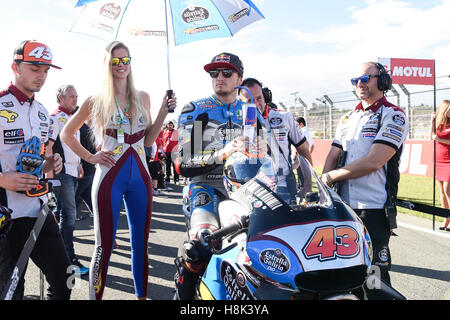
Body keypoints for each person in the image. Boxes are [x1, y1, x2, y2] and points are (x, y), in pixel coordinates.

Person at [60, 41, 176, 300]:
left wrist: (162, 111)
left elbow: (148, 141)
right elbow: (66, 133)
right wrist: (89, 156)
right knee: (104, 246)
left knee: (140, 245)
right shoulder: (96, 100)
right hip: (109, 176)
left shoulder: (142, 97)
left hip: (141, 177)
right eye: (116, 61)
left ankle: (141, 297)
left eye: (126, 60)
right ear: (107, 64)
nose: (122, 65)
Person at [176, 52, 263, 299]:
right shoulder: (196, 110)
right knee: (202, 244)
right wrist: (222, 154)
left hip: (244, 191)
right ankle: (183, 297)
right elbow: (184, 164)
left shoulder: (249, 112)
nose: (219, 77)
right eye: (214, 73)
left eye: (227, 72)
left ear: (239, 78)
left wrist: (263, 151)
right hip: (206, 186)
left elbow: (264, 156)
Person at [321, 62, 409, 289]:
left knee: (374, 279)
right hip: (343, 207)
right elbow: (333, 155)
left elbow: (374, 161)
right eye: (355, 80)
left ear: (382, 81)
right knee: (344, 274)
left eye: (365, 78)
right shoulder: (348, 117)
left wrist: (332, 177)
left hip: (374, 209)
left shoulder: (393, 115)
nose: (359, 83)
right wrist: (323, 188)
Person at [0, 40, 71, 300]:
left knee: (65, 282)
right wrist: (1, 180)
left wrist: (50, 165)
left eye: (45, 70)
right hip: (4, 217)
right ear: (15, 67)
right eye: (34, 68)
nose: (41, 75)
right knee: (10, 292)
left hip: (38, 211)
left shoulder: (43, 113)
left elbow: (33, 161)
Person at [239, 78, 313, 202]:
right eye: (250, 101)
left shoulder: (284, 117)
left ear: (266, 97)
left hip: (282, 187)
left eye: (259, 98)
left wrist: (308, 185)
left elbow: (304, 150)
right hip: (249, 189)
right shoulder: (235, 122)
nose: (256, 104)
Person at [48, 84, 89, 276]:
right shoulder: (54, 118)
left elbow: (75, 145)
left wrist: (79, 163)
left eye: (76, 96)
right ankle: (68, 259)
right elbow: (49, 148)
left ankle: (58, 255)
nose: (75, 99)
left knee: (63, 213)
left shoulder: (75, 118)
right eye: (71, 96)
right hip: (61, 172)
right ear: (60, 98)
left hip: (73, 171)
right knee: (69, 214)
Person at [430, 100, 450, 231]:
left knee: (449, 192)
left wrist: (440, 139)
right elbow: (431, 136)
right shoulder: (439, 124)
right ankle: (445, 218)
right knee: (442, 192)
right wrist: (432, 121)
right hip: (438, 159)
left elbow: (439, 139)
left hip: (449, 160)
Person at [75, 120, 96, 219]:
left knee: (75, 195)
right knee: (87, 195)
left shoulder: (79, 129)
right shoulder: (87, 129)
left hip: (83, 168)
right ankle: (97, 214)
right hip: (90, 168)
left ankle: (74, 215)